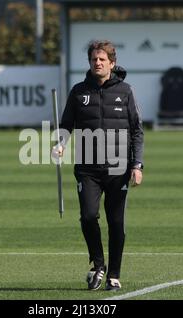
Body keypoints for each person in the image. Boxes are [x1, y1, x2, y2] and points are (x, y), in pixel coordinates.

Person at [52, 40, 144, 291]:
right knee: (88, 216)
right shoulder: (78, 91)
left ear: (112, 63)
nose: (97, 63)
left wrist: (137, 165)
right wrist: (59, 144)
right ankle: (98, 264)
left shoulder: (126, 91)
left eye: (102, 59)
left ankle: (114, 274)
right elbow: (66, 126)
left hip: (118, 168)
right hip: (87, 168)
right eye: (94, 59)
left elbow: (137, 130)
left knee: (116, 223)